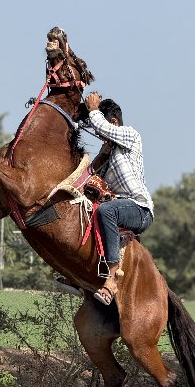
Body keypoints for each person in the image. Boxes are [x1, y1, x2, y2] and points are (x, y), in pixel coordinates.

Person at [85, 92, 154, 305]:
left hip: (139, 208)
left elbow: (102, 128)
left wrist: (93, 109)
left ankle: (112, 278)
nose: (101, 137)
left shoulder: (130, 136)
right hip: (120, 206)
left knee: (107, 211)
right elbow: (89, 174)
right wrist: (102, 155)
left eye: (104, 130)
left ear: (113, 122)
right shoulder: (109, 152)